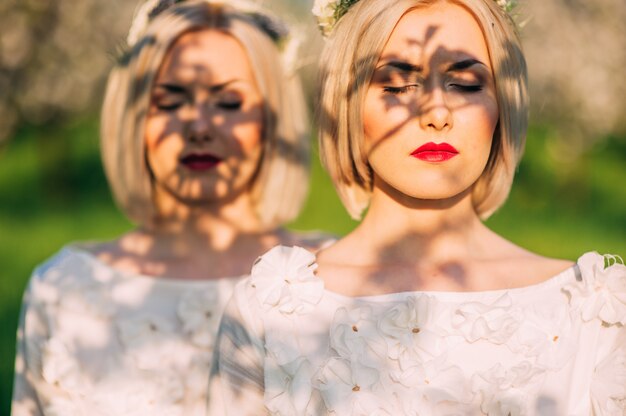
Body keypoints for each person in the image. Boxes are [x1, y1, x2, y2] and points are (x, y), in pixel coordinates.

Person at [208, 0, 626, 414]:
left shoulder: (595, 311)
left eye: (464, 84)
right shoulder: (272, 312)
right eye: (396, 85)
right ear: (346, 107)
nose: (437, 112)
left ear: (503, 105)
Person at [12, 1, 326, 414]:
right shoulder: (63, 289)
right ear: (135, 118)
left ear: (274, 120)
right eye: (171, 100)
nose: (198, 126)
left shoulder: (331, 279)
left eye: (229, 102)